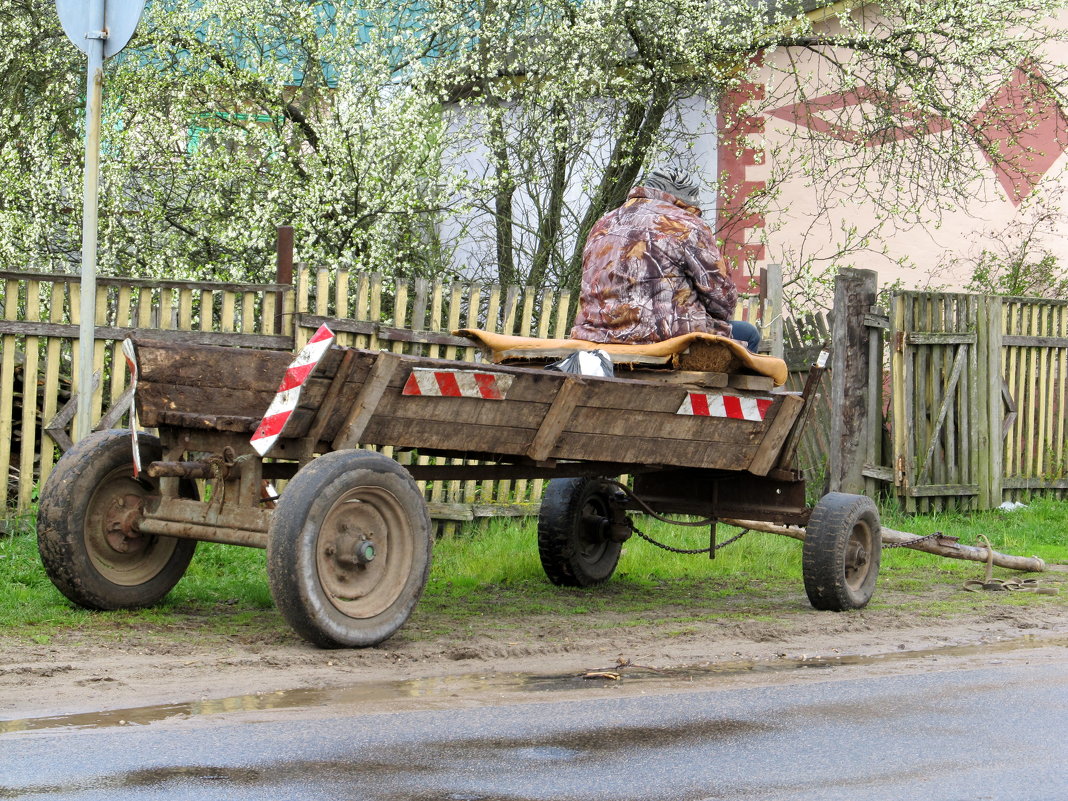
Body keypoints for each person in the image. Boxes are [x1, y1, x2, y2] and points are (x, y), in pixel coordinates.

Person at [570, 167, 761, 353]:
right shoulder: (687, 225)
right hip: (661, 336)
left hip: (595, 334)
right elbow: (722, 303)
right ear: (688, 202)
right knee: (748, 334)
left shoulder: (603, 223)